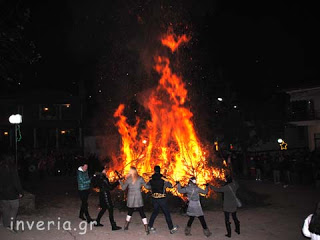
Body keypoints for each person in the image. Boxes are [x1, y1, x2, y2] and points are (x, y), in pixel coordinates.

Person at [119, 166, 151, 234]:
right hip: (138, 197)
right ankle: (146, 228)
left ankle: (126, 225)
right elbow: (147, 187)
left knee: (130, 211)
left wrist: (120, 182)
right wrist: (151, 184)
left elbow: (123, 188)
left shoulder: (128, 179)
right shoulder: (140, 178)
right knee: (142, 212)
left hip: (131, 197)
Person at [147, 166, 178, 234]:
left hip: (154, 198)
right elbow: (170, 185)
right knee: (166, 213)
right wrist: (175, 184)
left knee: (155, 212)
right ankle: (171, 228)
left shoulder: (151, 179)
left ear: (154, 170)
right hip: (162, 199)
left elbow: (147, 186)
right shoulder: (163, 179)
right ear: (160, 170)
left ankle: (149, 226)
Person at [0, 154, 24, 233]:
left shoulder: (1, 167)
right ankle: (11, 225)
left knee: (5, 209)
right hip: (12, 193)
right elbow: (16, 181)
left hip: (2, 193)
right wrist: (20, 192)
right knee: (14, 209)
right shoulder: (12, 168)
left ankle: (6, 223)